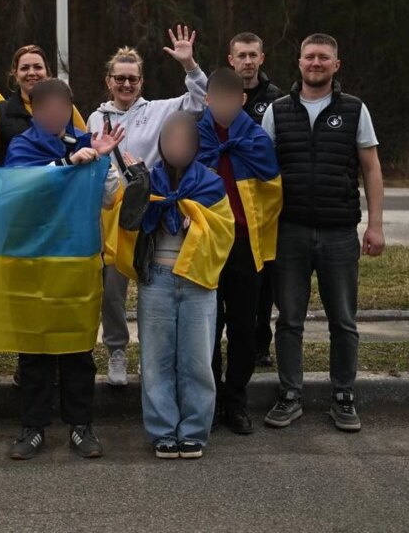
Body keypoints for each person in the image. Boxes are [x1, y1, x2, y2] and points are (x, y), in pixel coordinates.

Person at [260, 33, 385, 433]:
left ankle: (343, 396)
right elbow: (261, 171)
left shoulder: (354, 109)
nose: (316, 63)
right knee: (289, 320)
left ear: (336, 64)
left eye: (324, 57)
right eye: (310, 56)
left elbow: (371, 169)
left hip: (339, 233)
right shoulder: (277, 111)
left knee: (343, 320)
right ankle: (290, 394)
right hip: (289, 232)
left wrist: (376, 225)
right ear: (299, 62)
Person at [4, 78, 124, 460]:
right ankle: (33, 426)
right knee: (34, 348)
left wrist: (103, 161)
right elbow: (22, 190)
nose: (56, 115)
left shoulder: (86, 141)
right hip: (35, 262)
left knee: (78, 348)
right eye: (49, 109)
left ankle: (80, 425)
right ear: (35, 111)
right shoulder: (22, 145)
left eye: (63, 108)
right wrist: (66, 165)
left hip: (78, 260)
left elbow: (109, 199)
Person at [86, 25, 209, 387]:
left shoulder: (158, 110)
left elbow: (200, 101)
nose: (126, 85)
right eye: (120, 79)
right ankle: (117, 350)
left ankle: (152, 355)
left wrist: (189, 65)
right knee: (113, 290)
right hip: (112, 213)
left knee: (154, 288)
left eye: (133, 79)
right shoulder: (95, 117)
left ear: (141, 82)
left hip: (152, 211)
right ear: (109, 81)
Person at [119, 111, 235, 460]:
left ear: (196, 145)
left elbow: (224, 231)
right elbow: (126, 224)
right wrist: (139, 188)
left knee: (197, 361)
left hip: (198, 281)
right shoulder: (148, 181)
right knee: (156, 360)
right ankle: (162, 431)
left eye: (185, 140)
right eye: (170, 139)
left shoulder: (211, 183)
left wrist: (197, 223)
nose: (177, 146)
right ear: (161, 143)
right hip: (157, 279)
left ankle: (194, 431)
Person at [196, 68, 282, 435]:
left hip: (246, 245)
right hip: (207, 244)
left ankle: (236, 399)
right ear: (207, 99)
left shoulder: (256, 139)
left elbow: (273, 193)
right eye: (218, 99)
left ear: (243, 99)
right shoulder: (196, 136)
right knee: (208, 326)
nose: (225, 105)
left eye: (232, 99)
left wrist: (255, 230)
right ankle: (212, 398)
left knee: (244, 327)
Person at [227, 31, 285, 368]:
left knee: (264, 281)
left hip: (265, 207)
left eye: (253, 55)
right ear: (231, 60)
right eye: (242, 55)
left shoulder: (278, 100)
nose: (247, 61)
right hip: (231, 205)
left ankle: (261, 345)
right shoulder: (219, 96)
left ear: (262, 58)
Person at [0, 44, 89, 167]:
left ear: (47, 72)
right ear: (16, 75)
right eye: (24, 68)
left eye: (38, 67)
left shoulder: (69, 109)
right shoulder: (0, 112)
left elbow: (82, 145)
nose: (31, 73)